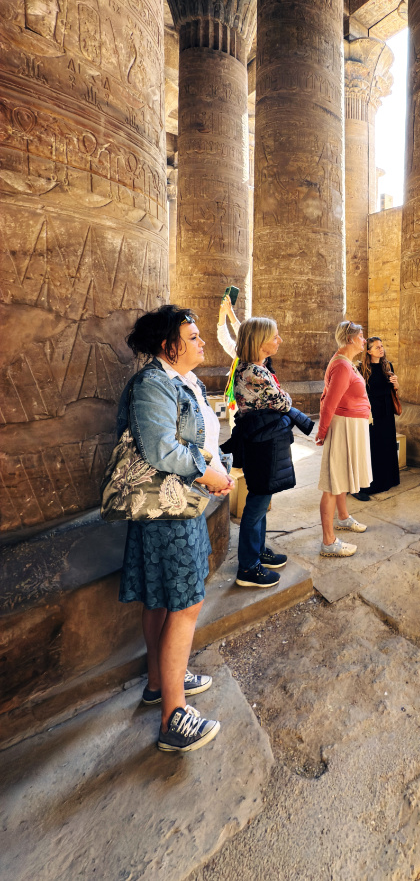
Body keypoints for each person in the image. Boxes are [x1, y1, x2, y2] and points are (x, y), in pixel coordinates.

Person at [117, 305, 235, 753]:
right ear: (169, 345)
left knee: (164, 598)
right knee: (185, 605)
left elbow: (203, 440)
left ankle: (158, 681)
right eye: (194, 336)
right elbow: (162, 449)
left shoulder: (183, 382)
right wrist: (210, 476)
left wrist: (218, 468)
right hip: (168, 511)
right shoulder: (152, 385)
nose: (203, 341)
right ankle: (173, 717)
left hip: (183, 504)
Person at [222, 318, 313, 588]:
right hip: (261, 443)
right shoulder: (254, 373)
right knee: (257, 503)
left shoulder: (258, 368)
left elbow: (281, 400)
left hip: (265, 440)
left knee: (261, 500)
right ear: (260, 341)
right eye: (275, 336)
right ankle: (248, 568)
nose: (279, 340)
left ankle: (258, 551)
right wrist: (284, 398)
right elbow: (284, 401)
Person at [315, 321, 372, 556]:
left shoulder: (347, 362)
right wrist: (322, 432)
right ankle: (328, 542)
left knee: (342, 476)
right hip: (343, 426)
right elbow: (330, 402)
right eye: (361, 336)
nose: (364, 340)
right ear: (350, 339)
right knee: (332, 482)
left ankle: (343, 517)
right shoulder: (341, 366)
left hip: (351, 425)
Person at [354, 337, 400, 501]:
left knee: (387, 444)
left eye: (382, 346)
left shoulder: (387, 366)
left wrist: (395, 384)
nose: (381, 349)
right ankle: (369, 484)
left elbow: (393, 389)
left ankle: (388, 479)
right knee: (373, 447)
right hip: (372, 413)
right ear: (369, 351)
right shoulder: (361, 369)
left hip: (386, 411)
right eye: (377, 347)